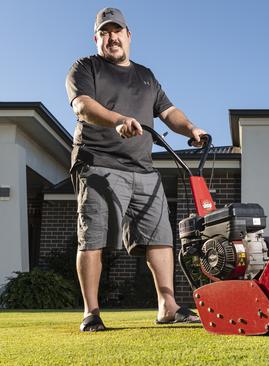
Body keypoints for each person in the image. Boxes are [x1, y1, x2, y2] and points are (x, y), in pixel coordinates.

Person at [65, 7, 205, 331]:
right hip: (98, 163)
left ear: (129, 36)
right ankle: (91, 312)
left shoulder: (146, 76)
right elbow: (83, 106)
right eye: (104, 32)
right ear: (96, 38)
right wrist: (118, 120)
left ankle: (168, 306)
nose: (111, 37)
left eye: (117, 31)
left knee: (161, 237)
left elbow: (169, 111)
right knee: (94, 237)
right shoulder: (85, 68)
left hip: (143, 168)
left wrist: (192, 130)